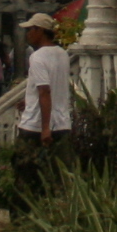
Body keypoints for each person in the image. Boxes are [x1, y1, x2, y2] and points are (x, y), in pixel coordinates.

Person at [19, 15, 71, 149]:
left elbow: (44, 91)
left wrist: (45, 128)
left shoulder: (37, 57)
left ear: (40, 30)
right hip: (62, 123)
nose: (28, 34)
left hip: (35, 125)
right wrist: (29, 100)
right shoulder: (62, 54)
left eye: (30, 29)